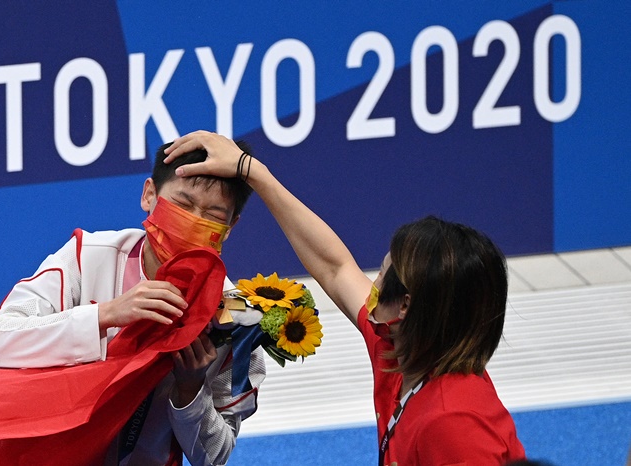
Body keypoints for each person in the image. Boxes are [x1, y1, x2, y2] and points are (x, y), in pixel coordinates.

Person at [164, 130, 527, 465]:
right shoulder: (399, 350)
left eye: (382, 274)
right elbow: (334, 267)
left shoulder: (454, 424)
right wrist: (252, 172)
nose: (371, 285)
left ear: (405, 306)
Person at [0, 141, 266, 466]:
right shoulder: (86, 256)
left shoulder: (238, 320)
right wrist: (103, 315)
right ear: (149, 195)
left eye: (212, 216)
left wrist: (191, 391)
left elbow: (214, 457)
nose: (192, 222)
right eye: (182, 204)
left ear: (229, 227)